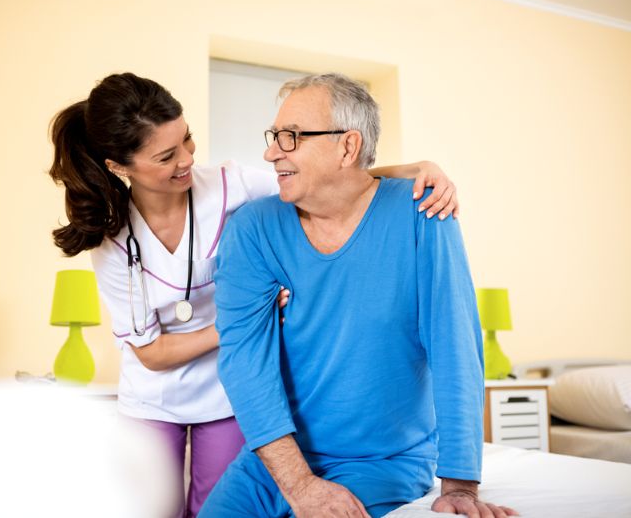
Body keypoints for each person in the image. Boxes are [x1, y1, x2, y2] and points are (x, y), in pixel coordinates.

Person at [48, 72, 461, 518]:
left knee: (211, 501)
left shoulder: (231, 186)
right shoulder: (111, 238)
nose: (187, 158)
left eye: (187, 140)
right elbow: (150, 352)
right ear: (120, 166)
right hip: (155, 396)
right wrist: (241, 326)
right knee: (149, 506)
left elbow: (323, 180)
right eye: (167, 155)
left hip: (225, 396)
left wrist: (412, 170)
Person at [202, 73, 519, 518]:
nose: (271, 152)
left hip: (382, 463)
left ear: (347, 147)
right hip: (272, 464)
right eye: (274, 136)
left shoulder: (423, 212)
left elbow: (454, 346)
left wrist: (460, 485)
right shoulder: (252, 228)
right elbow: (244, 362)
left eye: (290, 138)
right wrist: (299, 484)